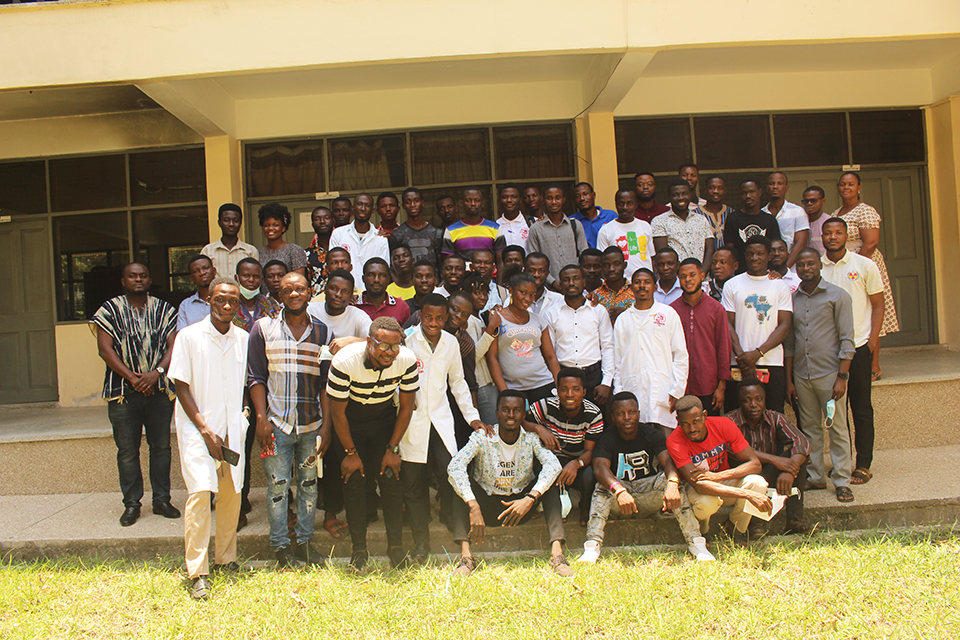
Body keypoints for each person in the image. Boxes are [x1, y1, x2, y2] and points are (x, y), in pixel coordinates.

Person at [169, 277, 248, 599]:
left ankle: (226, 559)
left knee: (231, 496)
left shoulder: (243, 338)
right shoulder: (188, 337)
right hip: (198, 429)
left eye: (232, 301)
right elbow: (180, 385)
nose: (226, 306)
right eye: (220, 300)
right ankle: (198, 571)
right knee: (201, 494)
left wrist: (241, 415)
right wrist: (204, 429)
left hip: (232, 430)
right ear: (209, 301)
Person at [248, 272, 333, 568]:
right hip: (275, 425)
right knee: (277, 487)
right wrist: (261, 418)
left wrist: (328, 426)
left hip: (311, 426)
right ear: (280, 295)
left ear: (310, 292)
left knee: (309, 486)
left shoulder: (324, 333)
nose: (294, 294)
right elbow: (256, 377)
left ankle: (305, 545)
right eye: (287, 290)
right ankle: (281, 548)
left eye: (299, 289)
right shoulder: (263, 329)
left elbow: (326, 384)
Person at [326, 317, 419, 571]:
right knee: (354, 482)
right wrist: (350, 453)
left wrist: (392, 449)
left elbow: (407, 407)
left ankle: (395, 547)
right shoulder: (344, 362)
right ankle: (359, 549)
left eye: (395, 346)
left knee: (390, 479)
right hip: (350, 422)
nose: (390, 353)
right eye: (383, 346)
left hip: (383, 420)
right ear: (369, 342)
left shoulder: (407, 359)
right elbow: (338, 414)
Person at [92, 263, 180, 527]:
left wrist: (157, 372)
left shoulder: (165, 309)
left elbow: (174, 344)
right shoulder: (109, 310)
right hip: (123, 394)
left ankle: (162, 500)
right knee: (127, 451)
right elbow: (105, 350)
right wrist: (132, 378)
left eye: (143, 275)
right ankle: (132, 504)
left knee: (161, 447)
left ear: (150, 279)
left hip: (159, 390)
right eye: (133, 276)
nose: (138, 279)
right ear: (123, 281)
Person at [400, 294, 487, 563]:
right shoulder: (407, 340)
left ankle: (450, 516)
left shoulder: (451, 343)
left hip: (440, 417)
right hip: (412, 420)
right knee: (413, 482)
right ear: (420, 315)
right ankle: (421, 541)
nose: (433, 323)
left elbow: (458, 383)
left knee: (450, 470)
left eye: (439, 318)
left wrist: (473, 417)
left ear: (446, 318)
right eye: (428, 317)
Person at [447, 390, 571, 577]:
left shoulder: (531, 439)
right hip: (487, 507)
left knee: (550, 482)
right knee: (458, 486)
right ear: (497, 413)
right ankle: (466, 557)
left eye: (516, 410)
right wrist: (473, 506)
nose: (511, 415)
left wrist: (530, 498)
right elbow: (454, 467)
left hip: (520, 507)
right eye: (505, 410)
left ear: (523, 414)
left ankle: (557, 554)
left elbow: (553, 466)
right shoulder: (482, 437)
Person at [579, 391, 712, 563]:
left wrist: (672, 483)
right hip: (620, 499)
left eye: (631, 412)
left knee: (671, 481)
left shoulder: (651, 434)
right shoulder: (607, 436)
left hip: (649, 493)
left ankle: (696, 542)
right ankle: (592, 545)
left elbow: (668, 461)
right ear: (612, 417)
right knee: (602, 487)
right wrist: (619, 491)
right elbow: (599, 467)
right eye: (620, 414)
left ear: (638, 414)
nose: (627, 417)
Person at [785, 247, 856, 503]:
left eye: (811, 264)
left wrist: (842, 377)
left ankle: (841, 480)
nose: (806, 268)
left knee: (836, 428)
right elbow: (791, 343)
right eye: (801, 265)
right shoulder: (793, 299)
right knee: (811, 428)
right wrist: (790, 380)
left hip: (830, 376)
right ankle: (815, 475)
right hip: (803, 376)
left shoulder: (838, 296)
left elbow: (848, 340)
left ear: (820, 265)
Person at [820, 217, 885, 486]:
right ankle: (841, 463)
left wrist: (872, 340)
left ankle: (864, 463)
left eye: (838, 232)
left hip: (857, 347)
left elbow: (878, 304)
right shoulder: (816, 266)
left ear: (847, 235)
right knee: (835, 410)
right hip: (827, 351)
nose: (833, 237)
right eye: (828, 233)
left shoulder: (864, 265)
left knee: (860, 406)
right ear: (821, 236)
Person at [668, 397, 771, 540]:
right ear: (678, 420)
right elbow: (699, 486)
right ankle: (702, 530)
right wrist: (747, 494)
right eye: (685, 424)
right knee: (706, 503)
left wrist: (718, 477)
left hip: (722, 480)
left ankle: (734, 529)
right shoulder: (675, 441)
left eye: (696, 421)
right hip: (697, 489)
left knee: (758, 483)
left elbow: (755, 464)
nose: (692, 429)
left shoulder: (723, 425)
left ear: (704, 415)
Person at [831, 171, 899, 380]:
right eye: (843, 184)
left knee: (870, 312)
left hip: (864, 263)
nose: (846, 188)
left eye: (851, 184)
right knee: (855, 313)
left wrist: (856, 265)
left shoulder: (866, 211)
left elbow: (871, 242)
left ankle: (874, 366)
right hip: (844, 265)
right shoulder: (837, 211)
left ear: (859, 187)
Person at [726, 380, 812, 537]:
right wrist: (775, 460)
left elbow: (801, 442)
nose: (754, 404)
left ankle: (794, 520)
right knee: (767, 471)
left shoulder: (775, 418)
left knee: (798, 457)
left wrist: (790, 471)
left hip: (769, 474)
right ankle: (756, 522)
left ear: (765, 399)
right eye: (747, 400)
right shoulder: (730, 422)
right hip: (743, 478)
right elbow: (735, 450)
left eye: (759, 399)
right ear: (740, 402)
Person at [230, 258, 279, 529]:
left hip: (266, 383)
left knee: (274, 443)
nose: (250, 281)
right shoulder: (228, 304)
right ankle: (239, 502)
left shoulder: (270, 306)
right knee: (241, 446)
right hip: (236, 387)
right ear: (237, 277)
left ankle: (283, 494)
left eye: (255, 276)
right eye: (245, 276)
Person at [722, 235, 792, 413]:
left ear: (769, 256)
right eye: (750, 254)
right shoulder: (732, 285)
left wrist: (757, 354)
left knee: (773, 415)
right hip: (738, 363)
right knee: (736, 417)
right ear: (745, 256)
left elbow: (784, 325)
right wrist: (743, 358)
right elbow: (727, 324)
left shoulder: (780, 286)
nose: (755, 258)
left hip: (772, 362)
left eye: (760, 254)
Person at [613, 268, 689, 432]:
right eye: (638, 282)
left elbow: (680, 355)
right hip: (632, 387)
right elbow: (617, 360)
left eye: (647, 282)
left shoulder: (668, 314)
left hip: (663, 389)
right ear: (631, 287)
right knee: (637, 438)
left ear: (655, 287)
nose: (642, 286)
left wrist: (677, 390)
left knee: (665, 439)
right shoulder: (623, 319)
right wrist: (618, 391)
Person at [527, 369, 603, 527]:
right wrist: (539, 428)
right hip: (552, 459)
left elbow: (590, 451)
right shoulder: (546, 405)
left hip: (578, 461)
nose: (569, 394)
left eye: (575, 389)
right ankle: (553, 507)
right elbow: (522, 421)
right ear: (557, 390)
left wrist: (576, 464)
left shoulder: (593, 414)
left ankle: (584, 506)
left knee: (591, 474)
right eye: (564, 389)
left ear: (584, 392)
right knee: (537, 463)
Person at [542, 265, 614, 406]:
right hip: (564, 374)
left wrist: (606, 382)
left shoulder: (598, 311)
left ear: (584, 282)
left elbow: (607, 347)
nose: (571, 283)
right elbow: (549, 352)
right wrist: (558, 381)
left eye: (576, 279)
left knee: (597, 421)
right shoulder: (551, 313)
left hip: (594, 376)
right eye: (566, 280)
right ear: (560, 285)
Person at [486, 272, 561, 404]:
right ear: (511, 291)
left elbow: (550, 356)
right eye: (523, 292)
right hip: (514, 388)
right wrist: (504, 392)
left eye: (532, 295)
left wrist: (559, 384)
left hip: (543, 383)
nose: (528, 298)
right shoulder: (497, 318)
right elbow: (492, 357)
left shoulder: (538, 320)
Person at [671, 258, 732, 415]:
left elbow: (723, 348)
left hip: (708, 384)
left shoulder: (716, 309)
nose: (688, 280)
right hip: (679, 385)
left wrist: (722, 386)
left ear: (702, 276)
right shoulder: (672, 310)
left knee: (709, 429)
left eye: (692, 275)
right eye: (683, 276)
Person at [526, 184, 588, 284]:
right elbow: (535, 262)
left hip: (574, 285)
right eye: (549, 198)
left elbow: (584, 257)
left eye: (557, 198)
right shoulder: (536, 229)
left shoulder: (575, 225)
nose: (554, 202)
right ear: (543, 200)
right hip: (548, 287)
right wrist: (553, 282)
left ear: (564, 200)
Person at [461, 273, 501, 426]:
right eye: (477, 293)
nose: (482, 297)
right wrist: (491, 328)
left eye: (485, 293)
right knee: (492, 427)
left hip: (487, 382)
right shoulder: (468, 321)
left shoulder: (477, 318)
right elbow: (472, 355)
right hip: (481, 384)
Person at [329, 193, 391, 290]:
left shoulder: (380, 238)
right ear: (353, 208)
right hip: (343, 292)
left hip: (370, 294)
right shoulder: (338, 234)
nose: (363, 208)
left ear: (373, 210)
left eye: (367, 205)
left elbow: (383, 270)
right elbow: (333, 266)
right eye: (359, 204)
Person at [652, 179, 714, 267]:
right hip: (677, 278)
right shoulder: (659, 221)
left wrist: (702, 273)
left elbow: (710, 250)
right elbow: (663, 253)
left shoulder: (702, 219)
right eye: (676, 195)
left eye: (684, 193)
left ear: (691, 195)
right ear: (669, 196)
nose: (681, 197)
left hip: (702, 277)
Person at [596, 188, 654, 279]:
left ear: (636, 205)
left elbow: (652, 257)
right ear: (616, 205)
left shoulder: (645, 226)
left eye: (629, 203)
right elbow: (602, 263)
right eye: (621, 204)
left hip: (644, 282)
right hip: (620, 285)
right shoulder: (606, 230)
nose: (625, 207)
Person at [724, 179, 782, 268]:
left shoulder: (770, 219)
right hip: (740, 272)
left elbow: (774, 248)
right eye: (744, 193)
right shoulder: (733, 218)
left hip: (765, 273)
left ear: (760, 192)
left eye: (752, 192)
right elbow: (730, 250)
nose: (748, 196)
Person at [441, 187, 504, 262]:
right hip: (463, 273)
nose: (473, 204)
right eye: (468, 200)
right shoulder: (451, 230)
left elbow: (500, 261)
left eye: (477, 200)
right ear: (462, 203)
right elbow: (450, 263)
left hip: (489, 273)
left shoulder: (495, 228)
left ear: (482, 203)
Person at [762, 172, 809, 268]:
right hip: (766, 270)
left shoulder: (797, 212)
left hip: (791, 269)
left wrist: (785, 269)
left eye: (780, 183)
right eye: (772, 183)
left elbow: (800, 244)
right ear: (767, 188)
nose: (775, 187)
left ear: (786, 188)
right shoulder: (761, 213)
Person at [201, 203, 258, 278]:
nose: (231, 224)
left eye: (236, 220)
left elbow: (255, 278)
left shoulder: (251, 251)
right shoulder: (208, 251)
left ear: (240, 223)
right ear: (219, 223)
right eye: (226, 220)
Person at [390, 187, 443, 265]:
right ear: (403, 205)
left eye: (416, 201)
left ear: (423, 202)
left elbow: (441, 264)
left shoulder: (437, 234)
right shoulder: (397, 235)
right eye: (408, 202)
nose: (413, 205)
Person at [355, 257, 412, 325]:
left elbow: (408, 334)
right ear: (363, 279)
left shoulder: (401, 307)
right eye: (371, 275)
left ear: (388, 279)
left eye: (382, 275)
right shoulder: (353, 307)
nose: (376, 280)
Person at [257, 203, 307, 276]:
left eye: (275, 225)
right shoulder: (258, 253)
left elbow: (298, 280)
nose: (270, 228)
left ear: (283, 228)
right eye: (266, 225)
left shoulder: (294, 250)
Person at [594, 246, 634, 324]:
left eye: (616, 264)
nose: (611, 269)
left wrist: (625, 315)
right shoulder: (595, 296)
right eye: (606, 265)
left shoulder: (637, 292)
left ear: (624, 265)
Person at [571, 181, 617, 248]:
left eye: (585, 194)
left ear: (593, 195)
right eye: (578, 196)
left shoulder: (611, 216)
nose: (582, 198)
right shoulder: (572, 221)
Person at [177, 255, 216, 330]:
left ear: (214, 271)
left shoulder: (228, 301)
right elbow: (182, 336)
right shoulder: (185, 306)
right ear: (191, 278)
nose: (202, 273)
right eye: (196, 271)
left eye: (206, 268)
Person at [523, 252, 563, 316]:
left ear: (547, 273)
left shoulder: (558, 300)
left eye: (541, 271)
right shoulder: (513, 301)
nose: (536, 275)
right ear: (524, 272)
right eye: (531, 270)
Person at [305, 205, 333, 297]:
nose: (322, 221)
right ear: (313, 224)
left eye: (326, 218)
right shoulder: (307, 254)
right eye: (317, 219)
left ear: (333, 221)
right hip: (315, 303)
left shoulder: (344, 249)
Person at [495, 183, 532, 252]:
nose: (509, 200)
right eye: (505, 197)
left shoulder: (532, 222)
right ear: (499, 200)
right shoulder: (495, 226)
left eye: (514, 197)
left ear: (520, 200)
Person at [700, 176, 733, 250]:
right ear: (705, 190)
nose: (716, 191)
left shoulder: (731, 213)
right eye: (711, 188)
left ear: (725, 191)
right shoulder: (696, 214)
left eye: (720, 188)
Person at [802, 186, 828, 256]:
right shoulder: (799, 221)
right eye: (806, 201)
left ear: (823, 201)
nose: (809, 203)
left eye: (813, 200)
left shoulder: (828, 222)